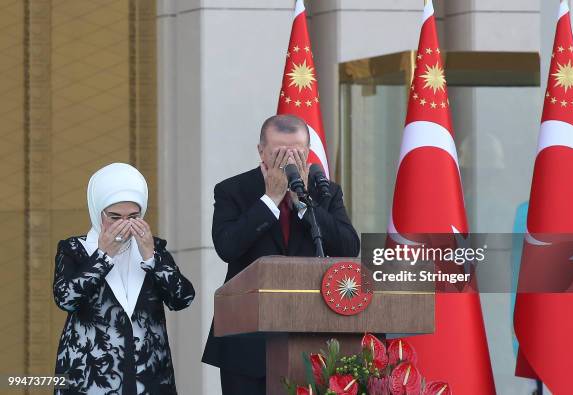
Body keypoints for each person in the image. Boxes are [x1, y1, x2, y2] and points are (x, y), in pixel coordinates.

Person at [201, 114, 360, 394]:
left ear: (308, 153)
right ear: (261, 151)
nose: (288, 159)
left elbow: (348, 247)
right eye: (278, 152)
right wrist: (270, 200)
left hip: (311, 337)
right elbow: (227, 247)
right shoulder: (232, 190)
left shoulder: (325, 191)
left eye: (297, 152)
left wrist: (303, 205)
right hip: (247, 341)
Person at [53, 163, 195, 395]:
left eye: (134, 217)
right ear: (98, 211)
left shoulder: (153, 248)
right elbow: (65, 298)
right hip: (88, 379)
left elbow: (183, 298)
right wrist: (102, 257)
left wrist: (151, 257)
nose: (124, 225)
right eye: (115, 217)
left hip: (149, 378)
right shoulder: (74, 249)